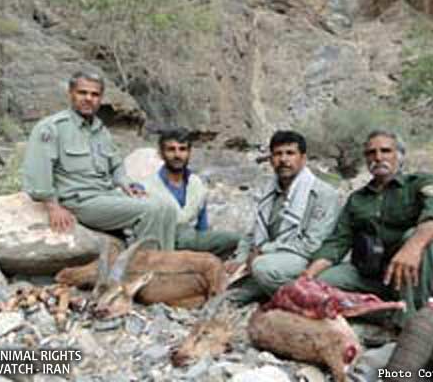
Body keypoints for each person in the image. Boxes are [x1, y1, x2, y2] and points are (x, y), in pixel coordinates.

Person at [303, 129, 433, 326]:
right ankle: (390, 312)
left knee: (416, 236)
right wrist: (308, 276)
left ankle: (410, 322)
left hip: (430, 273)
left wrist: (411, 248)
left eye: (385, 151)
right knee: (322, 283)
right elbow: (338, 242)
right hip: (380, 275)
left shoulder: (419, 183)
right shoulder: (357, 199)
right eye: (371, 153)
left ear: (399, 156)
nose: (378, 157)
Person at [23, 70, 177, 248]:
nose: (88, 98)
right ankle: (149, 263)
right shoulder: (51, 128)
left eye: (95, 94)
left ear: (101, 98)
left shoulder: (100, 130)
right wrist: (53, 207)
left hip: (107, 195)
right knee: (152, 211)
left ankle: (164, 260)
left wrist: (125, 183)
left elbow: (116, 165)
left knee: (168, 208)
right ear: (71, 93)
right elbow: (38, 171)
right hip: (79, 201)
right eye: (82, 93)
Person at [227, 130, 340, 303]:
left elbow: (312, 245)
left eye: (290, 153)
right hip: (274, 255)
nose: (283, 159)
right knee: (228, 286)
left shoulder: (323, 194)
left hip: (305, 258)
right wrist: (240, 258)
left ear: (303, 158)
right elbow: (253, 232)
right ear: (271, 159)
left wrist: (263, 251)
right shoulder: (269, 190)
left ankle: (302, 301)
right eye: (278, 154)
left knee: (261, 268)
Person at [142, 128, 241, 257]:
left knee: (238, 242)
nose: (177, 155)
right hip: (163, 244)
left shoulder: (197, 184)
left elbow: (202, 228)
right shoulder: (147, 186)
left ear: (189, 153)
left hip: (192, 242)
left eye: (182, 149)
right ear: (161, 153)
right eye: (171, 149)